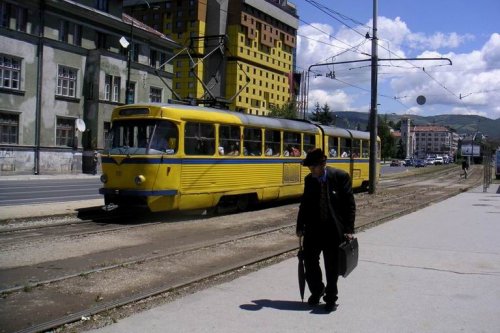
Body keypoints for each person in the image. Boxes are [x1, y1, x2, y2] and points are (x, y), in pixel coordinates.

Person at [296, 148, 355, 313]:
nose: (311, 171)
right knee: (309, 262)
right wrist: (300, 227)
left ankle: (331, 297)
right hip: (313, 229)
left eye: (313, 167)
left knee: (332, 266)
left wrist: (349, 229)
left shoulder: (340, 177)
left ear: (323, 164)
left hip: (333, 230)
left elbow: (349, 205)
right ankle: (317, 290)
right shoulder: (310, 180)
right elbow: (305, 205)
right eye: (309, 168)